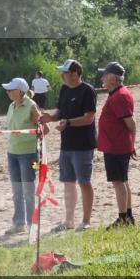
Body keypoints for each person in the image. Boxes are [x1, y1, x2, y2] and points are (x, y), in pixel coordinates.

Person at [39, 59, 98, 232]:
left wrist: (68, 122)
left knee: (84, 182)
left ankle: (86, 221)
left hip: (83, 145)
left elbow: (89, 118)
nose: (61, 75)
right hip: (66, 145)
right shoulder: (64, 89)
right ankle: (69, 221)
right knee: (68, 182)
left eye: (64, 72)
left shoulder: (88, 90)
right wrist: (50, 117)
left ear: (74, 74)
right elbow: (60, 112)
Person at [98, 62, 137, 229]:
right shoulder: (117, 94)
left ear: (113, 78)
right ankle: (127, 216)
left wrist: (131, 144)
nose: (102, 78)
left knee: (118, 182)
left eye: (105, 75)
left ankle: (123, 219)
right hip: (117, 145)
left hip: (117, 146)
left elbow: (131, 123)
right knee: (123, 181)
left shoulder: (120, 96)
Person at [2, 77, 40, 236]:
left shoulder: (31, 106)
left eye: (11, 89)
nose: (8, 92)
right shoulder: (11, 106)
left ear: (20, 91)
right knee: (17, 190)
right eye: (8, 89)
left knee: (28, 191)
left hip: (28, 154)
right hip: (12, 153)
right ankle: (18, 223)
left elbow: (43, 129)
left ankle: (32, 225)